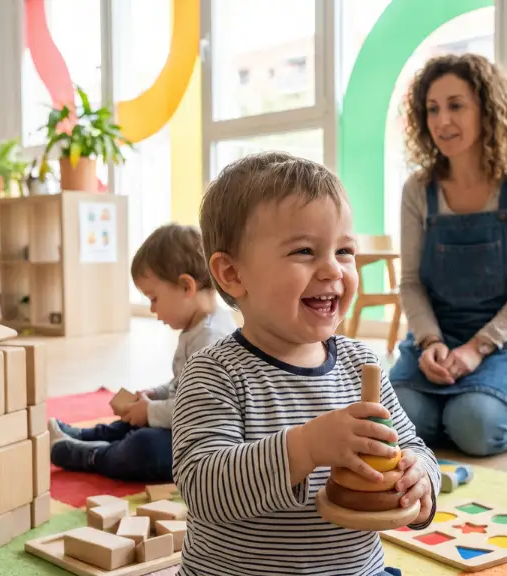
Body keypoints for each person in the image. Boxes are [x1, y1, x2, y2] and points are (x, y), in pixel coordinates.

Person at [172, 152, 441, 575]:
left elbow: (412, 446)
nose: (333, 269)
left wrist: (419, 477)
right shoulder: (214, 373)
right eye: (304, 251)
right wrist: (307, 447)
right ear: (232, 274)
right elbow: (203, 489)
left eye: (344, 250)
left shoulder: (361, 367)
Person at [388, 53, 507, 457]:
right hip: (439, 337)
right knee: (397, 420)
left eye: (456, 105)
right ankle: (466, 407)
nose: (442, 120)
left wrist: (477, 348)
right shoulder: (417, 189)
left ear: (487, 110)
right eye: (432, 109)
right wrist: (429, 340)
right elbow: (410, 283)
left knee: (474, 425)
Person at [49, 223, 235, 483]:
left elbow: (198, 409)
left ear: (186, 287)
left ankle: (93, 455)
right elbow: (183, 385)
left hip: (202, 442)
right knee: (135, 420)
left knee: (145, 446)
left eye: (154, 298)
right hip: (180, 424)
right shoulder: (197, 328)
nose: (152, 309)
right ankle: (88, 436)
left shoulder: (212, 339)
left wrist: (151, 412)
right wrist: (155, 395)